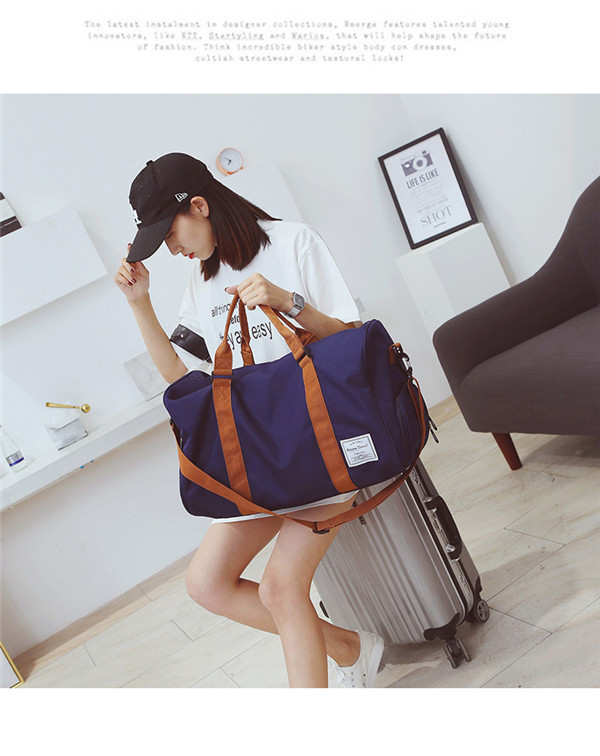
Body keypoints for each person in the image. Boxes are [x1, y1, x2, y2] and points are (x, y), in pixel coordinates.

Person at [114, 152, 385, 688]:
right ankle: (349, 648)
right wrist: (139, 303)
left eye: (170, 233)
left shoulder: (294, 242)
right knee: (206, 583)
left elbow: (355, 343)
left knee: (281, 588)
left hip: (325, 445)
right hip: (264, 457)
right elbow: (180, 376)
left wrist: (289, 302)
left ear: (199, 206)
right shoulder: (202, 281)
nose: (171, 249)